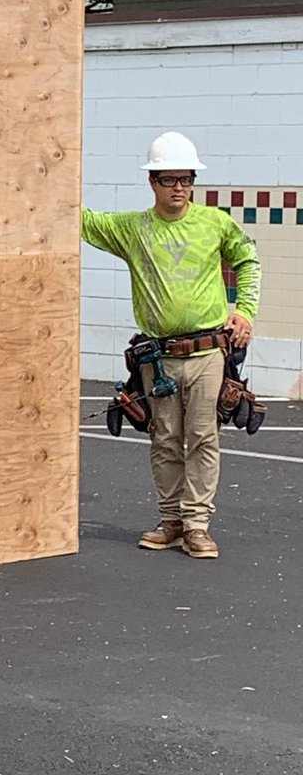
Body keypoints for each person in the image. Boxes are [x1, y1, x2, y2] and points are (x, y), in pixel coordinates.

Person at [81, 131, 261, 561]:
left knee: (202, 438)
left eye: (186, 178)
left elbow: (247, 260)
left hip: (206, 353)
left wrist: (245, 311)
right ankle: (172, 521)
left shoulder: (215, 224)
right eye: (168, 179)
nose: (178, 187)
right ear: (152, 183)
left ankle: (197, 525)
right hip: (158, 359)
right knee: (164, 440)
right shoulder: (132, 229)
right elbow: (81, 219)